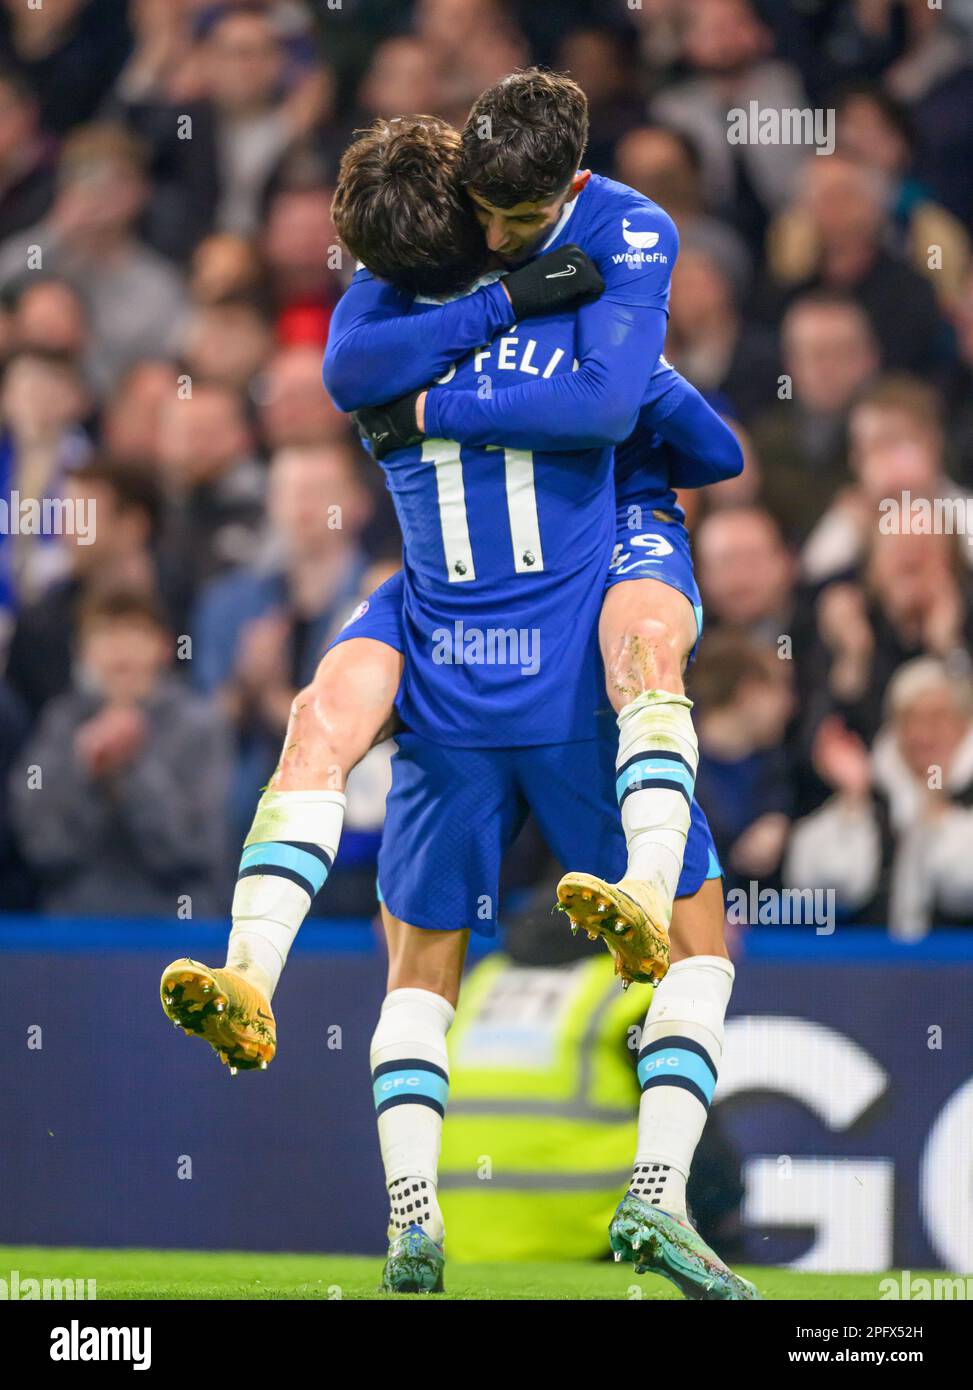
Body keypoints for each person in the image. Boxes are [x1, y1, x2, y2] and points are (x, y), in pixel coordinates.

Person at [160, 97, 751, 1299]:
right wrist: (553, 337)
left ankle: (608, 1200)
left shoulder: (475, 300)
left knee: (386, 774)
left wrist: (458, 395)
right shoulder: (460, 302)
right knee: (335, 720)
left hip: (510, 623)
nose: (498, 233)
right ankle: (566, 1200)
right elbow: (353, 369)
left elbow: (675, 432)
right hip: (499, 629)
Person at [10, 587, 232, 917]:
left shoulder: (199, 726)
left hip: (178, 931)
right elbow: (41, 845)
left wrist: (134, 765)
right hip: (75, 935)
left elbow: (196, 846)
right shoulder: (60, 722)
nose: (121, 649)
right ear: (81, 651)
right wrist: (85, 770)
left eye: (136, 631)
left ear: (164, 646)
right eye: (106, 633)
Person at [785, 658, 973, 937]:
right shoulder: (869, 794)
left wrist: (938, 814)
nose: (923, 735)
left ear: (962, 725)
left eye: (937, 719)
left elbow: (963, 887)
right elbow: (824, 889)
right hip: (872, 969)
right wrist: (852, 801)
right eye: (911, 719)